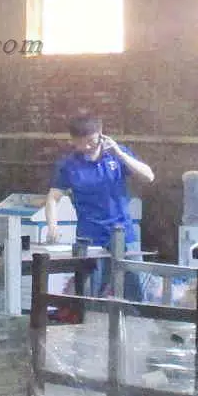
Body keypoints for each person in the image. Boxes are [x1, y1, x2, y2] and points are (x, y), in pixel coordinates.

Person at [43, 114, 154, 296]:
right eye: (80, 143)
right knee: (90, 292)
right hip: (90, 237)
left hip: (123, 233)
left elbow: (148, 176)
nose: (86, 147)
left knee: (134, 291)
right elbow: (52, 198)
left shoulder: (117, 156)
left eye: (91, 141)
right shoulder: (69, 165)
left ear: (101, 135)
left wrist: (120, 153)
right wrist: (52, 226)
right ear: (73, 140)